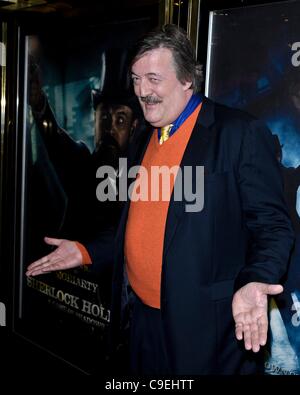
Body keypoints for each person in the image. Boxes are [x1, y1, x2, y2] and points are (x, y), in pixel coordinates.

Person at [26, 24, 295, 375]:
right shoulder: (142, 139)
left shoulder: (238, 134)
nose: (142, 91)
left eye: (153, 78)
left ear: (187, 80)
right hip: (140, 322)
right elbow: (137, 224)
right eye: (136, 79)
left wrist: (255, 279)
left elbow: (274, 226)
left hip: (205, 333)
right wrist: (86, 251)